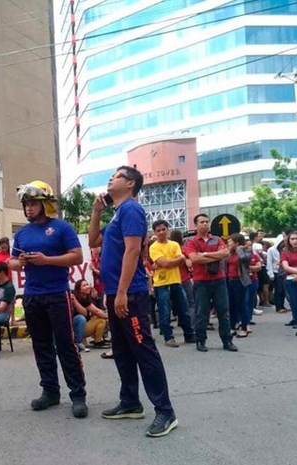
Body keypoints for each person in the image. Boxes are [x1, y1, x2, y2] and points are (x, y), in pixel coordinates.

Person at [89, 166, 178, 438]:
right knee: (123, 349)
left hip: (130, 293)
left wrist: (123, 292)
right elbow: (93, 240)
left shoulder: (131, 210)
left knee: (143, 349)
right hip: (117, 292)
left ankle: (165, 411)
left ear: (129, 184)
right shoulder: (117, 214)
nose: (110, 179)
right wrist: (95, 211)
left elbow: (132, 250)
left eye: (116, 176)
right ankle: (130, 402)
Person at [8, 180, 87, 419]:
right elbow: (11, 262)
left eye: (32, 203)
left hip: (57, 294)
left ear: (44, 204)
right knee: (41, 345)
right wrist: (19, 263)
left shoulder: (62, 228)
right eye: (26, 204)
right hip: (32, 296)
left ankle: (78, 395)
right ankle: (50, 391)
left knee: (66, 344)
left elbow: (77, 257)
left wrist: (46, 260)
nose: (28, 208)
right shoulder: (21, 233)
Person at [185, 214, 237, 353]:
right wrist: (213, 255)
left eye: (207, 222)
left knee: (223, 311)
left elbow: (225, 253)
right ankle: (201, 340)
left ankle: (227, 340)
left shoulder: (217, 239)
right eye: (202, 222)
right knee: (202, 312)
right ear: (196, 225)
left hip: (219, 280)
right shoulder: (191, 242)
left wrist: (204, 255)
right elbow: (194, 259)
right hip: (201, 281)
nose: (205, 224)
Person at [148, 220, 195, 347]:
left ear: (167, 229)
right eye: (158, 230)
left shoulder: (174, 244)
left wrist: (167, 262)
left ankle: (189, 335)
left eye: (163, 229)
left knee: (183, 309)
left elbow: (177, 260)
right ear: (155, 232)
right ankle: (168, 337)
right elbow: (169, 263)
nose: (161, 232)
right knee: (164, 311)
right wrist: (175, 260)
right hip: (161, 284)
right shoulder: (153, 247)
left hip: (176, 280)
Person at [226, 234, 252, 337]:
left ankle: (244, 327)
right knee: (231, 304)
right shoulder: (230, 253)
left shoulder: (246, 251)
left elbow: (243, 259)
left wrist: (239, 248)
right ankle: (232, 326)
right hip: (230, 280)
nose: (228, 244)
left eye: (230, 242)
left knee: (241, 304)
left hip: (240, 280)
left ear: (236, 243)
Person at [71, 279, 107, 352]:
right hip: (74, 328)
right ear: (78, 289)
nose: (87, 287)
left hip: (82, 327)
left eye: (87, 285)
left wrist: (106, 313)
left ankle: (98, 340)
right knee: (82, 318)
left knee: (99, 317)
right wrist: (110, 317)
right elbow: (86, 313)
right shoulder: (75, 298)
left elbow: (98, 311)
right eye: (84, 286)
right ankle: (78, 342)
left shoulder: (87, 297)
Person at [169, 230, 195, 327]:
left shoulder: (170, 249)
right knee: (191, 302)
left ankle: (180, 321)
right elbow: (189, 264)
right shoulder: (184, 249)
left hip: (173, 279)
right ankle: (191, 324)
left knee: (177, 303)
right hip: (184, 278)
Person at [266, 236, 287, 313]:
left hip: (284, 271)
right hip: (276, 271)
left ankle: (282, 305)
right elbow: (269, 262)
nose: (283, 244)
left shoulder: (284, 250)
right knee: (278, 290)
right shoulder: (271, 250)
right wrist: (270, 273)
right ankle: (278, 307)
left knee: (283, 290)